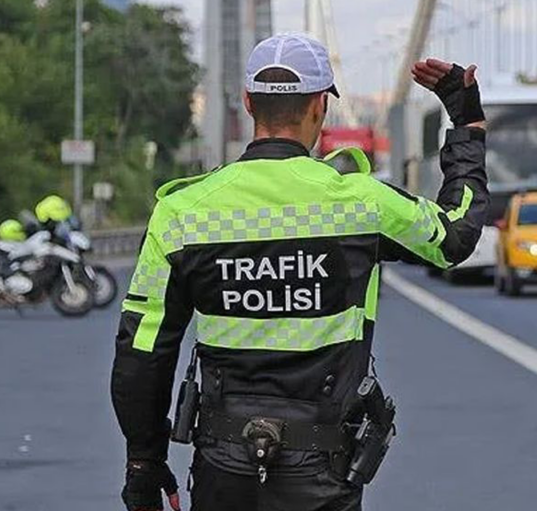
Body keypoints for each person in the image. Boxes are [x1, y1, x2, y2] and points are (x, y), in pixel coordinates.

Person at [111, 32, 488, 511]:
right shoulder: (362, 204)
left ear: (249, 103)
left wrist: (143, 461)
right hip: (324, 468)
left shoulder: (182, 213)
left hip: (223, 465)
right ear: (319, 107)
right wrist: (467, 124)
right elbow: (455, 236)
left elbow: (142, 351)